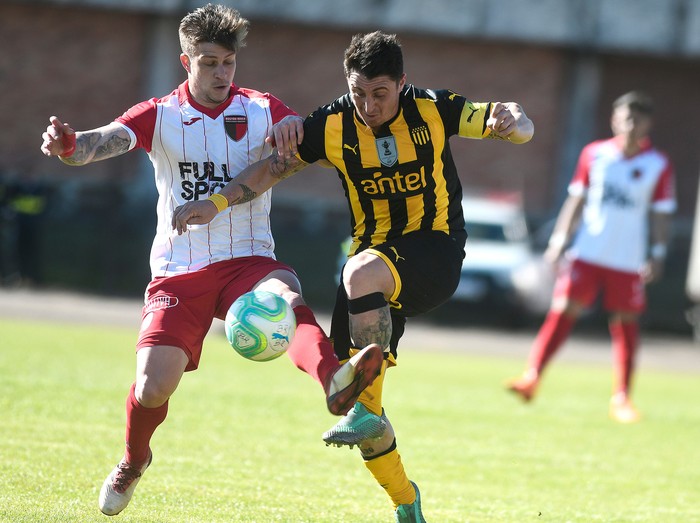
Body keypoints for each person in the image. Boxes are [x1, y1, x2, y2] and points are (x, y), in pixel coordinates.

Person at [173, 30, 534, 522]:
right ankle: (406, 502)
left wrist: (514, 118)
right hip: (369, 276)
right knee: (358, 411)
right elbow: (270, 170)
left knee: (359, 270)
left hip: (434, 251)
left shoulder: (433, 108)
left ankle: (369, 409)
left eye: (380, 93)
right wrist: (214, 203)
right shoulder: (333, 124)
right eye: (358, 92)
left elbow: (512, 123)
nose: (368, 105)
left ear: (401, 84)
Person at [39, 4, 383, 516]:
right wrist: (69, 145)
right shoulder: (160, 115)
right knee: (153, 387)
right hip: (181, 268)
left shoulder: (264, 108)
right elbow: (95, 144)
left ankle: (334, 380)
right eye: (209, 63)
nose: (221, 73)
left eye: (228, 62)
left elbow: (302, 137)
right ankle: (134, 460)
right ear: (185, 62)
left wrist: (294, 133)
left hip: (249, 258)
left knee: (284, 297)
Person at [506, 91, 676, 424]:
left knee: (625, 323)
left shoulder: (657, 164)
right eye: (625, 117)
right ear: (614, 119)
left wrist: (656, 253)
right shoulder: (595, 154)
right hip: (587, 252)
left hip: (627, 260)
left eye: (637, 119)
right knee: (561, 312)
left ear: (647, 124)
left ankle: (622, 398)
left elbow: (661, 214)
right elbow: (576, 201)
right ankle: (531, 377)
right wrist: (558, 242)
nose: (630, 124)